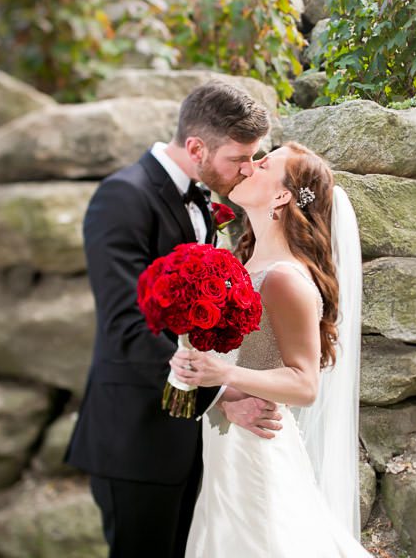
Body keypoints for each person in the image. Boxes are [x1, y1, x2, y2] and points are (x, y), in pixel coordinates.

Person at [65, 81, 285, 558]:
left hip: (186, 432)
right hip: (136, 434)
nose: (248, 169)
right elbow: (128, 326)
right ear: (196, 147)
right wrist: (223, 391)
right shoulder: (122, 197)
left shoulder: (204, 202)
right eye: (239, 158)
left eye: (254, 158)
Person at [170, 142, 371, 557]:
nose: (250, 166)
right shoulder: (244, 266)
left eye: (264, 163)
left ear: (282, 196)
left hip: (253, 448)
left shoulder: (285, 278)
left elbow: (304, 382)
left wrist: (223, 375)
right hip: (224, 439)